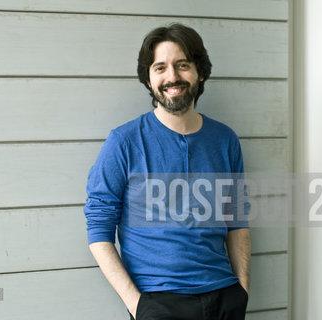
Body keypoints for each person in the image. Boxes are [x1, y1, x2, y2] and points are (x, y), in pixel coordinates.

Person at [84, 23, 251, 320]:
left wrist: (242, 289)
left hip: (225, 296)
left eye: (182, 65)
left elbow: (237, 220)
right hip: (158, 303)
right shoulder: (123, 142)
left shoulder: (225, 140)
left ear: (200, 72)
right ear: (148, 80)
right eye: (160, 68)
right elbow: (98, 230)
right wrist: (138, 305)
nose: (172, 76)